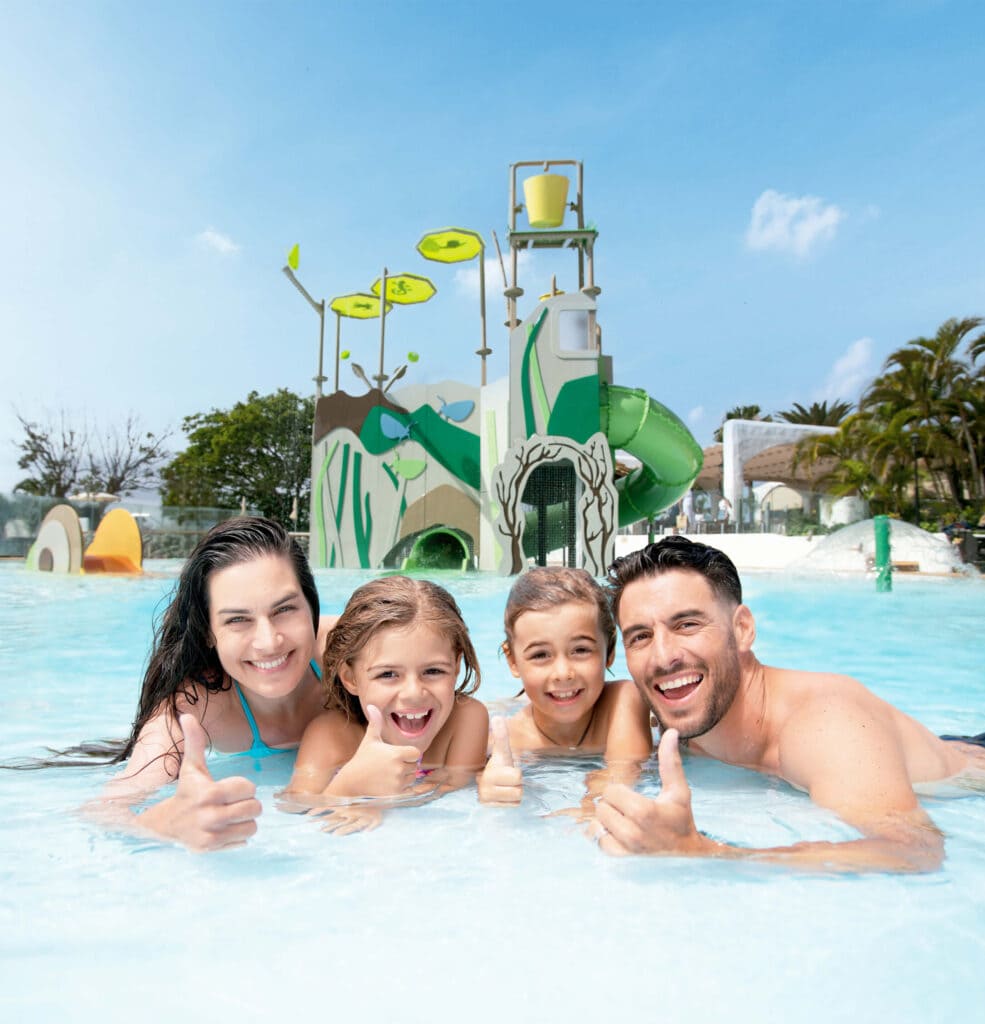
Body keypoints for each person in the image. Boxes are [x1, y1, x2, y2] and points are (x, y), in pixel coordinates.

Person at [594, 536, 985, 872]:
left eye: (687, 625)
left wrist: (702, 852)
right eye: (640, 637)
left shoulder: (828, 725)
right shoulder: (664, 713)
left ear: (742, 629)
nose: (663, 657)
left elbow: (915, 850)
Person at [25, 517, 334, 852]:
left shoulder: (354, 654)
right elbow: (101, 810)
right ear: (208, 633)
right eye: (237, 620)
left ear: (311, 606)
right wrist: (164, 823)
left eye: (285, 609)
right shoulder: (192, 709)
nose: (268, 641)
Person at [286, 575, 489, 813]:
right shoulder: (331, 735)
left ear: (456, 667)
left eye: (433, 671)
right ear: (351, 678)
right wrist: (350, 787)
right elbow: (295, 805)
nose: (413, 693)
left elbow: (457, 788)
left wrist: (378, 802)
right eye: (388, 674)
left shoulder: (466, 719)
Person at [479, 567, 653, 808]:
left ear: (610, 652)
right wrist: (490, 788)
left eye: (581, 650)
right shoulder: (506, 741)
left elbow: (622, 773)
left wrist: (589, 810)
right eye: (540, 655)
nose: (563, 674)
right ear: (512, 660)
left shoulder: (623, 702)